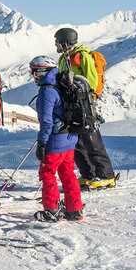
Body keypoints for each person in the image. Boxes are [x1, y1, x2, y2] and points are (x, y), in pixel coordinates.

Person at [54, 27, 117, 189]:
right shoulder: (63, 58)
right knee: (77, 141)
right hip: (70, 104)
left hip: (84, 103)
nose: (55, 44)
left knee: (91, 138)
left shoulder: (82, 57)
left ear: (64, 41)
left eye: (57, 41)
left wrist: (80, 95)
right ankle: (88, 174)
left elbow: (92, 81)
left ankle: (106, 175)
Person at [29, 55, 83, 222]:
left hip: (55, 141)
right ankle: (74, 210)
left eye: (34, 72)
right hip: (70, 138)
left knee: (48, 174)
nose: (33, 76)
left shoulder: (47, 90)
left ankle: (51, 210)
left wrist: (42, 143)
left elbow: (46, 121)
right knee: (68, 174)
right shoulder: (63, 82)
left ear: (41, 71)